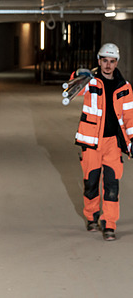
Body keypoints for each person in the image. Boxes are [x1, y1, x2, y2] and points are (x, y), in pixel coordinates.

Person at [75, 43, 133, 241]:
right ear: (99, 61)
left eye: (112, 61)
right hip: (91, 143)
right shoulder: (90, 82)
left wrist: (131, 140)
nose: (108, 65)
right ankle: (92, 217)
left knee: (111, 184)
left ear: (116, 63)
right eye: (105, 61)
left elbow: (130, 116)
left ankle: (110, 224)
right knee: (91, 183)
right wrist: (79, 74)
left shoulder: (124, 87)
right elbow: (73, 88)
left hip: (113, 144)